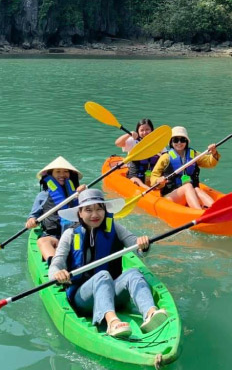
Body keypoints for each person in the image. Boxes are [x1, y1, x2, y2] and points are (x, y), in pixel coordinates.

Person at [49, 189, 169, 338]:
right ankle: (112, 322)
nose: (95, 214)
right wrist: (57, 274)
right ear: (80, 213)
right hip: (83, 299)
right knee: (103, 275)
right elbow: (56, 264)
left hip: (112, 293)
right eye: (88, 210)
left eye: (100, 209)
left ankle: (150, 313)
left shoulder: (115, 228)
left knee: (133, 272)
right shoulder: (71, 234)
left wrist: (143, 245)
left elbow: (138, 249)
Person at [27, 157, 86, 261]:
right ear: (51, 174)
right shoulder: (43, 195)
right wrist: (31, 221)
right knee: (43, 242)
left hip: (76, 235)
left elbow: (93, 208)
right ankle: (55, 264)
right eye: (58, 171)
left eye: (66, 171)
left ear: (71, 174)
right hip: (55, 237)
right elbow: (33, 216)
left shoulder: (78, 193)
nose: (62, 175)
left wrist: (85, 193)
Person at [149, 126, 219, 209]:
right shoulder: (165, 157)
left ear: (186, 141)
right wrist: (159, 180)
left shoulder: (194, 154)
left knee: (197, 189)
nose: (179, 143)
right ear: (171, 142)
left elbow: (210, 162)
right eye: (175, 140)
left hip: (189, 193)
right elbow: (154, 176)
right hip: (170, 197)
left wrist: (214, 153)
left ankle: (216, 209)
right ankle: (198, 212)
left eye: (182, 140)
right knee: (188, 186)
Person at [114, 118, 157, 188]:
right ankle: (145, 187)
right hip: (136, 171)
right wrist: (129, 135)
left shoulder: (157, 141)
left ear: (152, 130)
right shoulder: (133, 140)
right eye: (142, 130)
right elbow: (118, 143)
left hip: (151, 171)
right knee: (135, 179)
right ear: (138, 131)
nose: (145, 132)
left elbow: (165, 155)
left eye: (147, 129)